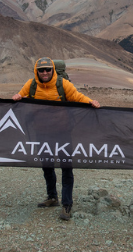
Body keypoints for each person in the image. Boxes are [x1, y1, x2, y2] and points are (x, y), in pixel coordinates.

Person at [12, 57, 100, 221]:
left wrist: (91, 102)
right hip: (42, 133)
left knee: (66, 167)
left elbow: (77, 96)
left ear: (53, 70)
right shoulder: (31, 85)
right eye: (41, 70)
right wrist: (17, 97)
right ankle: (52, 197)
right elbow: (20, 95)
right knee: (47, 166)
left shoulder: (63, 84)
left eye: (48, 69)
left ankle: (67, 204)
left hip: (62, 133)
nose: (45, 73)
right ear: (36, 71)